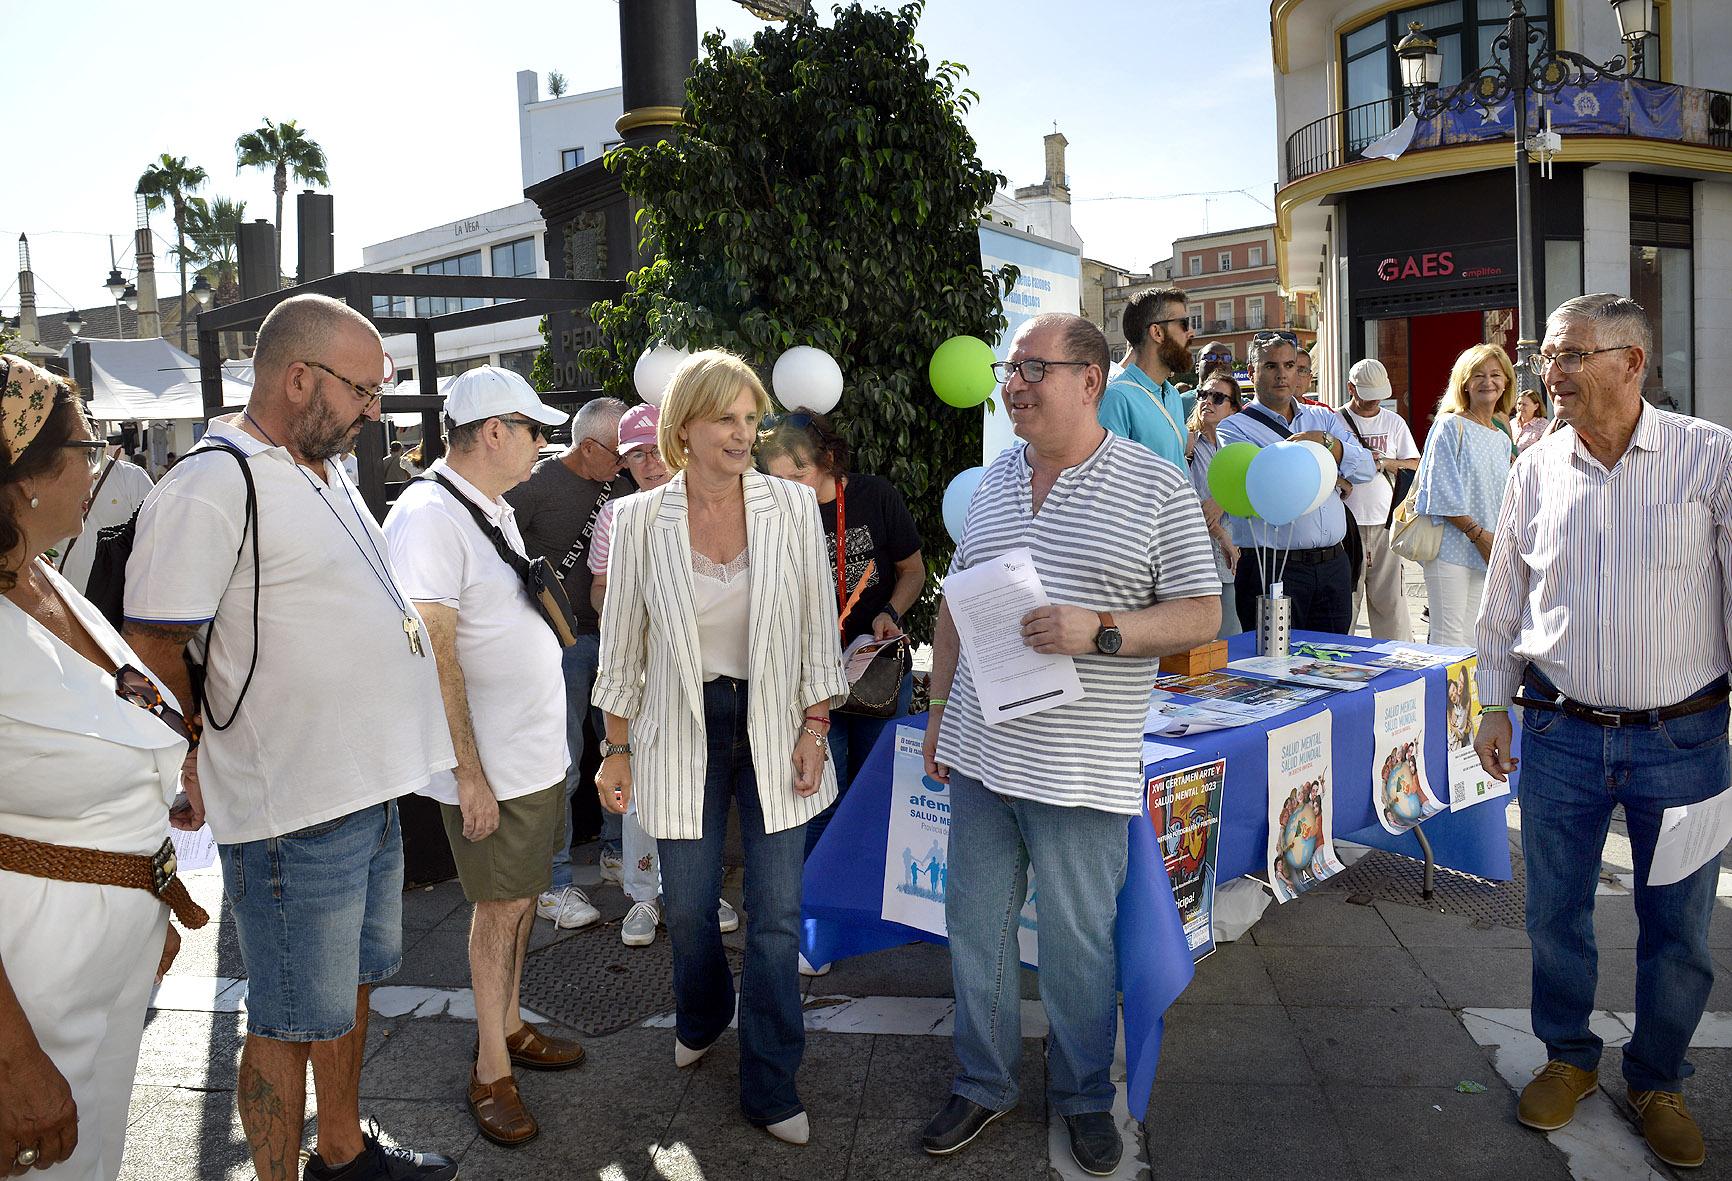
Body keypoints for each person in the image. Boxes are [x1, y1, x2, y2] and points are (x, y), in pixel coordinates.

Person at [121, 294, 460, 1181]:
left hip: (364, 789)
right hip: (290, 809)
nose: (373, 409)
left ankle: (342, 1154)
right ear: (299, 377)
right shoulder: (210, 481)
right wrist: (187, 765)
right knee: (283, 1014)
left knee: (345, 991)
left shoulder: (320, 466)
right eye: (362, 388)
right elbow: (154, 651)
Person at [919, 313, 1219, 1176]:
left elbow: (1199, 612)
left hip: (1081, 765)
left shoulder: (1156, 486)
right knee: (973, 926)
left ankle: (1086, 1095)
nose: (1011, 382)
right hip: (980, 752)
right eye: (1011, 368)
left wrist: (1104, 630)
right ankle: (982, 1081)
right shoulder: (993, 480)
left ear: (1090, 380)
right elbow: (954, 604)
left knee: (1079, 944)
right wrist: (940, 709)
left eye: (1031, 368)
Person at [1475, 294, 1732, 1170]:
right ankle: (1568, 1055)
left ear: (1633, 363)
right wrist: (1489, 701)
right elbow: (1504, 592)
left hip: (1687, 740)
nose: (1554, 371)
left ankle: (1656, 1077)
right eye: (1549, 355)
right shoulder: (1535, 466)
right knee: (1555, 911)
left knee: (1683, 926)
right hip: (1560, 733)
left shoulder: (1708, 454)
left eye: (1573, 354)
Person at [593, 350, 847, 1147]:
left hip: (776, 723)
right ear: (684, 429)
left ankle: (771, 1080)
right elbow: (623, 645)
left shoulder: (789, 508)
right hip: (679, 728)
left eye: (751, 420)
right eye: (726, 421)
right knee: (692, 906)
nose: (744, 435)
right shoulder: (637, 520)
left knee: (775, 917)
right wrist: (616, 746)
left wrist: (815, 727)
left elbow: (815, 626)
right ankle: (704, 1010)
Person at [0, 357, 201, 1181]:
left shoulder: (44, 577)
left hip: (96, 976)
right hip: (30, 992)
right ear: (25, 477)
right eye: (88, 446)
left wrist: (155, 782)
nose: (102, 462)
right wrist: (13, 1061)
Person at [382, 366, 585, 1147]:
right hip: (495, 764)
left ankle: (509, 1025)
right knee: (498, 910)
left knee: (521, 897)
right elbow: (435, 650)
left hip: (525, 755)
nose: (543, 443)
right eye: (534, 430)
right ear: (493, 430)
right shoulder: (430, 514)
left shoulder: (481, 504)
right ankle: (491, 1067)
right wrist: (468, 771)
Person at [588, 404, 740, 949]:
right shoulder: (619, 516)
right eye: (635, 455)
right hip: (646, 679)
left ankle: (699, 891)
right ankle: (643, 895)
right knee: (642, 789)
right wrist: (638, 617)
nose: (648, 463)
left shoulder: (722, 505)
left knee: (707, 786)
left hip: (709, 678)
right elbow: (602, 592)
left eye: (653, 449)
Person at [755, 412, 925, 854]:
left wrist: (890, 611)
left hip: (877, 669)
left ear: (829, 460)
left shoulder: (876, 496)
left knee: (877, 790)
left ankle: (866, 892)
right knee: (821, 795)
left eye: (801, 474)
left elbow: (913, 571)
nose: (793, 488)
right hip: (811, 676)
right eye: (780, 479)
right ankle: (813, 894)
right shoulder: (771, 514)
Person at [505, 396, 631, 929]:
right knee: (562, 760)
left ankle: (616, 851)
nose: (627, 463)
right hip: (559, 642)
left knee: (619, 751)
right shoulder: (535, 487)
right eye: (618, 454)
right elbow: (499, 548)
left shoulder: (621, 484)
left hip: (616, 638)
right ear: (588, 446)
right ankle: (553, 882)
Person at [1217, 332, 1375, 634]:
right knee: (1274, 667)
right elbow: (1271, 483)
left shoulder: (1322, 419)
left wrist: (1330, 445)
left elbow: (1367, 468)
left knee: (1333, 662)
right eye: (1270, 366)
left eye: (1290, 365)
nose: (1282, 374)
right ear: (1252, 372)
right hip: (1272, 567)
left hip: (1333, 563)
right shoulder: (1233, 427)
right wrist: (1326, 466)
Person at [1410, 343, 1516, 646]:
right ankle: (1441, 696)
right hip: (1452, 548)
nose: (1488, 382)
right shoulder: (1449, 424)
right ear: (1464, 383)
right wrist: (1479, 535)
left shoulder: (1500, 435)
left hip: (1488, 547)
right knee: (1448, 638)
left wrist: (1495, 540)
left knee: (1475, 639)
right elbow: (1439, 491)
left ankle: (1469, 696)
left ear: (1506, 381)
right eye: (1478, 375)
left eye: (1496, 374)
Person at [1339, 359, 1420, 641]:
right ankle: (1341, 653)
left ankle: (1397, 659)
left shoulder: (1394, 421)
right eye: (1367, 395)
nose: (1374, 402)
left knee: (1391, 602)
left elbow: (1414, 463)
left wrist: (1385, 462)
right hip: (1346, 525)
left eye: (1378, 396)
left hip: (1387, 521)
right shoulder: (1336, 421)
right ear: (1351, 388)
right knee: (1347, 600)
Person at [1098, 286, 1192, 470]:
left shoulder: (1172, 393)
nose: (1191, 333)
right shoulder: (1117, 398)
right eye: (1183, 324)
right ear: (1157, 332)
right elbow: (1110, 480)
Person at [1185, 370, 1244, 638]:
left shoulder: (1237, 448)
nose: (1207, 401)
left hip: (1236, 554)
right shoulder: (1187, 444)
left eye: (1218, 397)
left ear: (1233, 409)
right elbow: (1187, 500)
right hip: (1201, 554)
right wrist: (1223, 538)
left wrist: (1223, 500)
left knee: (1230, 635)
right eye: (1203, 394)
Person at [53, 441, 153, 596]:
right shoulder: (47, 479)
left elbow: (153, 537)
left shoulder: (132, 476)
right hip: (63, 590)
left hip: (116, 594)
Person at [1514, 388, 1551, 453]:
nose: (1520, 408)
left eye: (1524, 405)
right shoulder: (1512, 423)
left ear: (1536, 406)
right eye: (1519, 404)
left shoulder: (1544, 425)